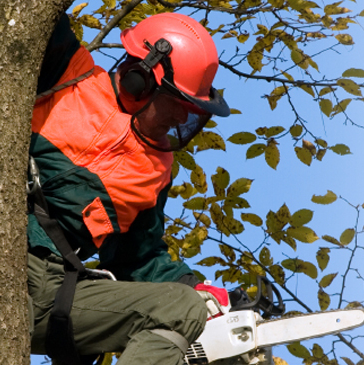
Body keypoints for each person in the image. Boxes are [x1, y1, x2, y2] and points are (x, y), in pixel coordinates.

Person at [28, 11, 231, 365]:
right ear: (140, 79)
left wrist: (195, 291)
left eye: (193, 110)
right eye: (180, 103)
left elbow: (139, 259)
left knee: (182, 309)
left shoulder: (155, 171)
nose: (183, 118)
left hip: (51, 292)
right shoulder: (68, 72)